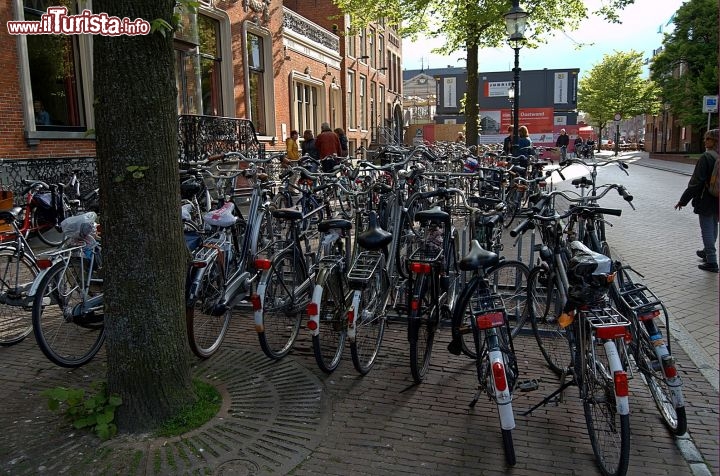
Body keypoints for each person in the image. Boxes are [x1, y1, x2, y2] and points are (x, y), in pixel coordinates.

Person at [674, 129, 719, 273]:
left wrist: (683, 200)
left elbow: (696, 182)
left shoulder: (707, 157)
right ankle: (707, 252)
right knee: (713, 225)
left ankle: (712, 261)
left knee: (706, 228)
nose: (704, 141)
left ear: (715, 141)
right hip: (717, 197)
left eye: (708, 139)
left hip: (706, 197)